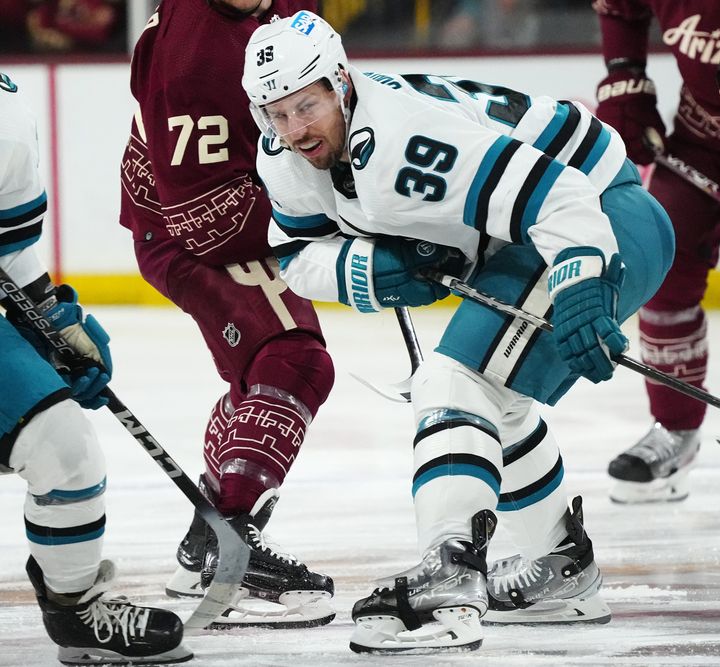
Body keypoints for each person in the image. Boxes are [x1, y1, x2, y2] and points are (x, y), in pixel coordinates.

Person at [239, 10, 674, 652]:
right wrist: (372, 269)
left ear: (340, 83)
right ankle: (559, 567)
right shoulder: (286, 154)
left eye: (307, 106)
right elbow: (297, 254)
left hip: (605, 215)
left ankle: (450, 577)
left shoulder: (403, 142)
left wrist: (584, 287)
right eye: (276, 113)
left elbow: (559, 196)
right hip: (538, 232)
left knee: (454, 381)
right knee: (496, 400)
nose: (294, 129)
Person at [118, 0, 335, 627]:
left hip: (232, 197)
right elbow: (207, 222)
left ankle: (204, 543)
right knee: (291, 360)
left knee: (262, 375)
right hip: (189, 225)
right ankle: (231, 556)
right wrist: (340, 218)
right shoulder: (195, 59)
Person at [1, 71, 192, 665]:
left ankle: (76, 607)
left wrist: (51, 320)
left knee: (65, 448)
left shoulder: (4, 117)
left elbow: (9, 246)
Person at [592, 0, 720, 504]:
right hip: (702, 133)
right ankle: (675, 430)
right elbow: (621, 9)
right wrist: (626, 80)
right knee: (663, 262)